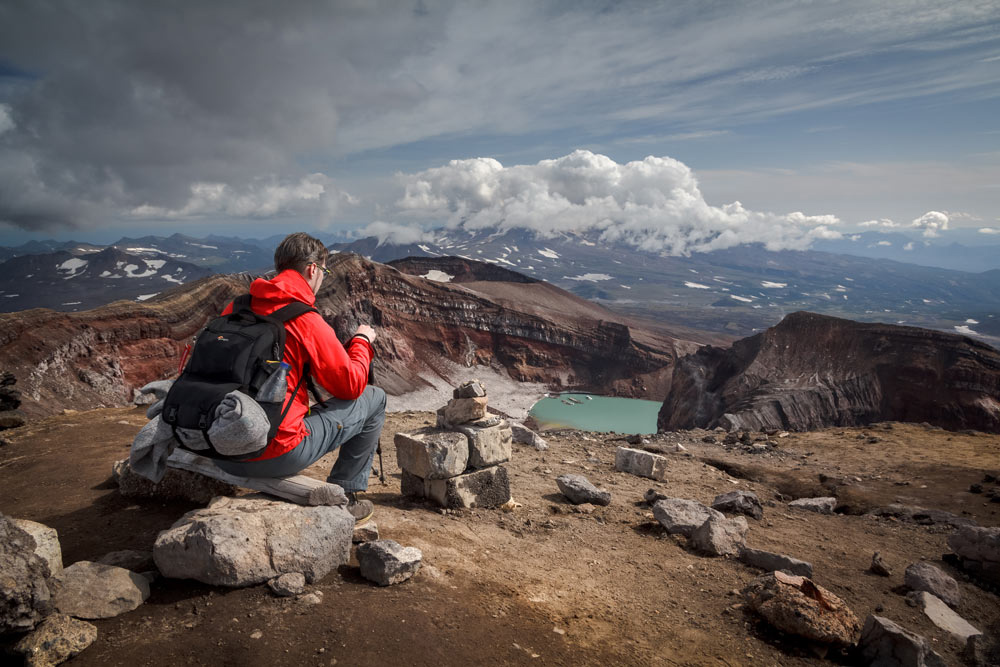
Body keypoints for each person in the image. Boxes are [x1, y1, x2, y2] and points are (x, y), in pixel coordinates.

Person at [213, 232, 385, 523]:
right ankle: (347, 495)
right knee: (375, 398)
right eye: (323, 271)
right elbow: (351, 385)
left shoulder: (237, 307)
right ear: (313, 269)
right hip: (273, 454)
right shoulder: (304, 319)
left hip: (220, 446)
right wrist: (361, 341)